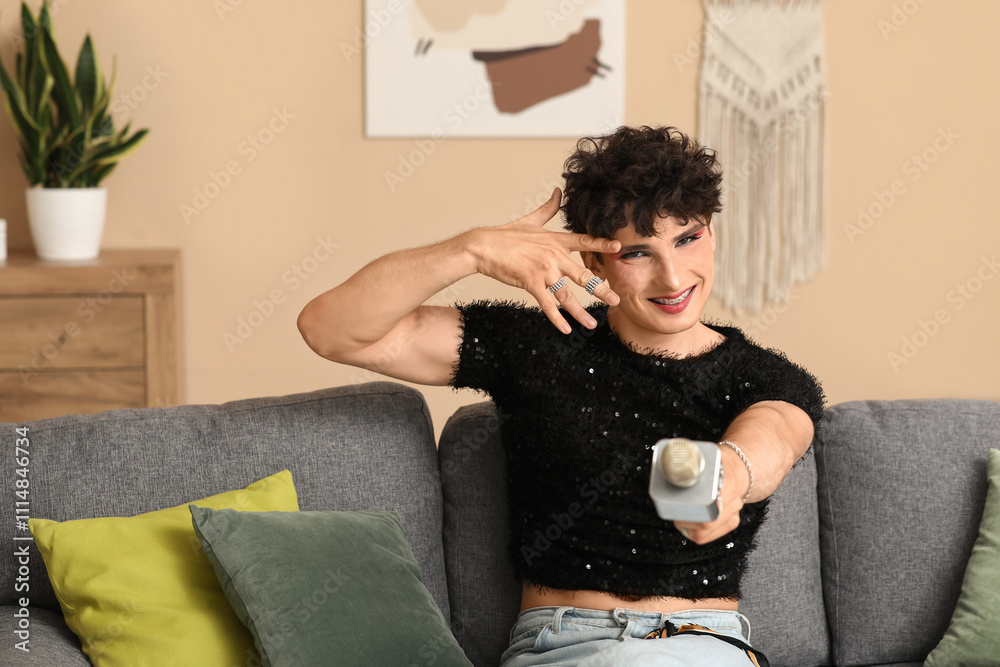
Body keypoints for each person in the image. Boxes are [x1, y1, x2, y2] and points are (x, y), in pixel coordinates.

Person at [297, 125, 824, 666]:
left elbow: (775, 433)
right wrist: (471, 250)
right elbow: (330, 328)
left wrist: (728, 475)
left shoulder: (766, 378)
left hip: (702, 645)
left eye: (686, 239)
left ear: (710, 232)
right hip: (559, 646)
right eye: (638, 253)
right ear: (592, 262)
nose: (672, 277)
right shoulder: (539, 345)